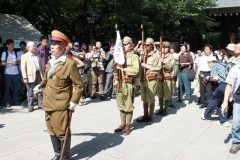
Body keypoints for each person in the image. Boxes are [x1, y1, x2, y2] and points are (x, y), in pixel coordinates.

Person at [36, 30, 83, 159]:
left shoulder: (69, 63)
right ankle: (57, 153)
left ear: (62, 47)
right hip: (48, 102)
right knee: (51, 130)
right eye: (52, 43)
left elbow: (79, 85)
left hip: (61, 104)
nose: (52, 46)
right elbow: (46, 80)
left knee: (62, 132)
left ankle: (65, 156)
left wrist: (74, 101)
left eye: (55, 43)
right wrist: (39, 86)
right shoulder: (50, 62)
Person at [113, 36, 140, 135]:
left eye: (126, 44)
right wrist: (115, 60)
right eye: (122, 44)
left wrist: (123, 69)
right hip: (119, 83)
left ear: (131, 45)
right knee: (121, 105)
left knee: (128, 106)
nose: (123, 46)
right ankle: (122, 124)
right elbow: (113, 67)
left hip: (128, 83)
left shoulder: (134, 57)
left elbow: (136, 70)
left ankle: (128, 125)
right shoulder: (119, 55)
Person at [137, 38, 160, 125]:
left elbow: (158, 68)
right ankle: (145, 115)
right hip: (143, 79)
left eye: (147, 45)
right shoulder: (143, 55)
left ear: (152, 45)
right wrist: (141, 57)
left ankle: (150, 116)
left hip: (151, 79)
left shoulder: (156, 56)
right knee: (144, 99)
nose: (145, 46)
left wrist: (146, 66)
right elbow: (139, 66)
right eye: (145, 45)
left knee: (151, 99)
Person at [200, 56, 229, 126]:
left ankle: (206, 116)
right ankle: (224, 121)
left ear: (211, 62)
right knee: (221, 103)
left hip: (222, 85)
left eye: (208, 63)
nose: (208, 65)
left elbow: (216, 78)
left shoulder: (214, 66)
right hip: (228, 86)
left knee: (213, 100)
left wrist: (208, 78)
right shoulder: (223, 65)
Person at [221, 63, 240, 154]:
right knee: (236, 122)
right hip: (238, 100)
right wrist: (225, 102)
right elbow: (229, 85)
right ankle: (236, 141)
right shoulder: (236, 69)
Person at [21, 41, 44, 112]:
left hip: (38, 74)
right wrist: (24, 77)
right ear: (28, 48)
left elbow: (41, 67)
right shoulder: (24, 56)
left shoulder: (38, 55)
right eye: (33, 46)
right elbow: (23, 68)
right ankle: (31, 106)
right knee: (30, 92)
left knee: (39, 90)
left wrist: (42, 76)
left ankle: (41, 104)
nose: (35, 47)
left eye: (35, 46)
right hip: (29, 76)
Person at [156, 41, 175, 116]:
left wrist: (163, 63)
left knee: (167, 94)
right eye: (163, 47)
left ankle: (165, 109)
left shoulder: (171, 57)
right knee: (159, 94)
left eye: (166, 47)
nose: (164, 49)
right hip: (159, 76)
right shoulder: (159, 55)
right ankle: (161, 108)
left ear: (169, 48)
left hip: (166, 77)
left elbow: (170, 67)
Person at [1, 39, 21, 107]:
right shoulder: (5, 53)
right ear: (7, 45)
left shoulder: (16, 53)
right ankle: (7, 101)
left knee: (16, 88)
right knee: (7, 88)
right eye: (11, 44)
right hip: (7, 73)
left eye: (13, 44)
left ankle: (15, 100)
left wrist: (17, 61)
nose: (13, 46)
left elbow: (19, 62)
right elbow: (2, 63)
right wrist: (10, 63)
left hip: (16, 73)